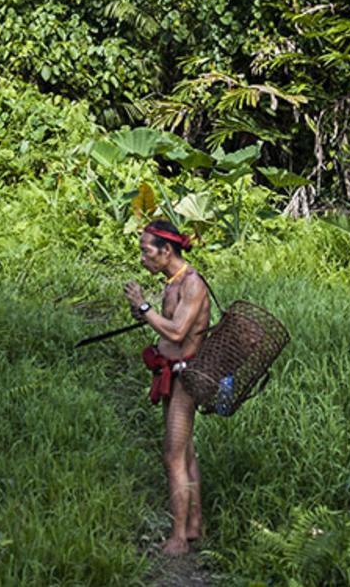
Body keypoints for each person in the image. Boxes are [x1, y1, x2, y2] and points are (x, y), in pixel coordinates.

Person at [124, 219, 210, 555]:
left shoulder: (192, 284)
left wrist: (144, 306)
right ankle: (193, 524)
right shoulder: (172, 281)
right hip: (170, 373)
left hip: (186, 376)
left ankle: (177, 538)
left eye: (147, 251)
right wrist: (141, 311)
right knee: (185, 451)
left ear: (167, 250)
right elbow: (165, 327)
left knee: (173, 454)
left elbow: (175, 333)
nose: (143, 258)